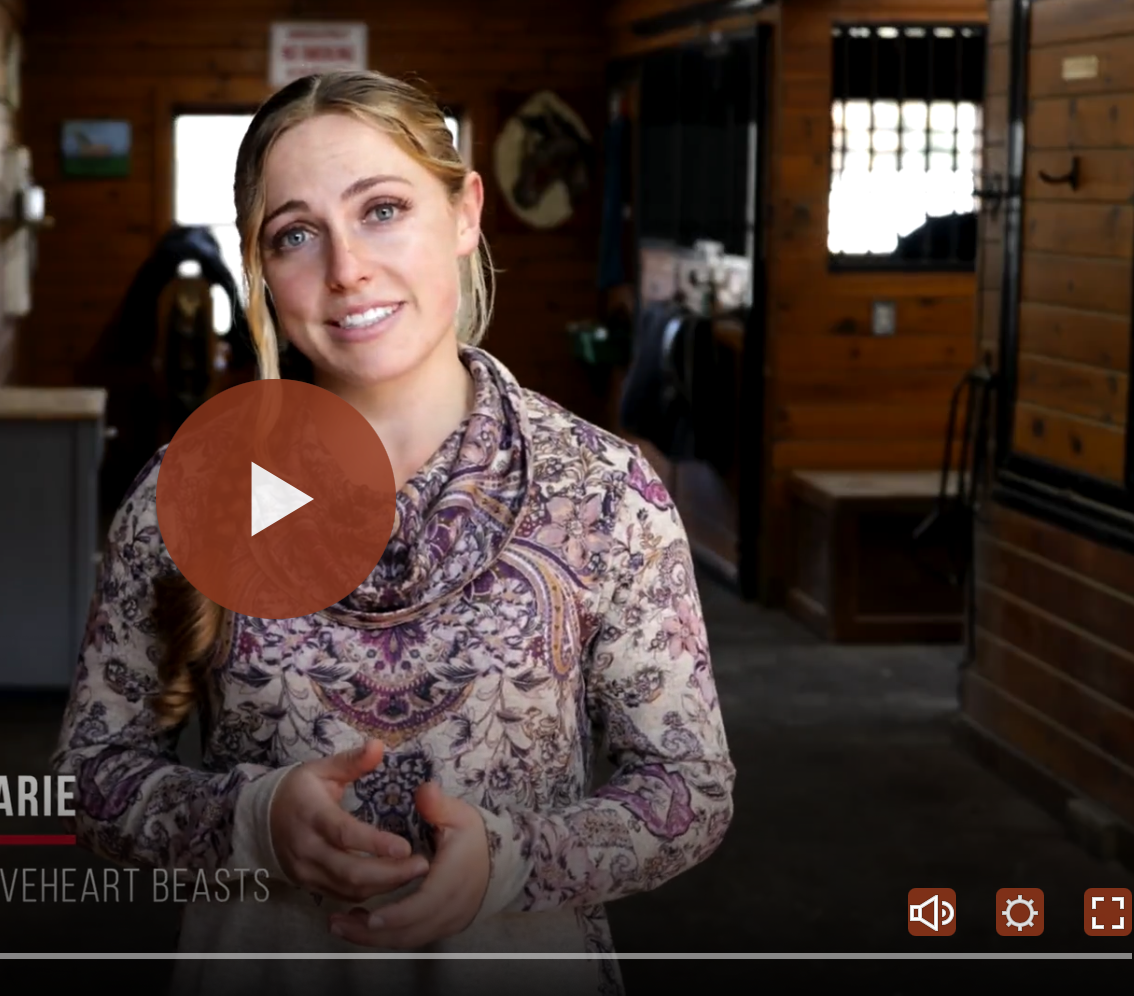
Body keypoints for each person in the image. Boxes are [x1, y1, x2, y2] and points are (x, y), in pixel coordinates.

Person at [52, 69, 734, 996]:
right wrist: (248, 821)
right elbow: (91, 774)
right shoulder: (191, 491)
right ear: (259, 268)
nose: (346, 270)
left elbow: (688, 788)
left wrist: (512, 860)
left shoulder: (605, 494)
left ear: (464, 214)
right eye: (297, 234)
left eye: (382, 210)